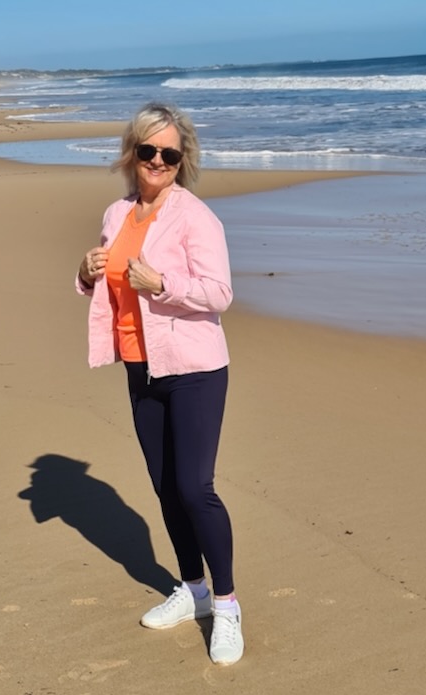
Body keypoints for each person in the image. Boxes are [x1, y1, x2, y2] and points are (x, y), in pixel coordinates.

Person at [75, 102, 243, 665]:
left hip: (194, 369)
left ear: (182, 160)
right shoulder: (116, 213)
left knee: (196, 488)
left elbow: (219, 293)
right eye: (148, 150)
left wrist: (163, 283)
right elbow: (109, 285)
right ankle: (192, 589)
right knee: (166, 488)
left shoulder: (197, 218)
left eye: (170, 154)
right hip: (141, 366)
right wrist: (84, 273)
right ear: (133, 152)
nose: (158, 161)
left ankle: (226, 606)